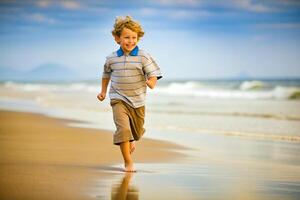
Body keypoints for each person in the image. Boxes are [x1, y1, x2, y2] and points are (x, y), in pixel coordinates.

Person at [97, 16, 162, 172]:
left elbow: (153, 73)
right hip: (118, 98)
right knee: (123, 130)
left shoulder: (143, 56)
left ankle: (132, 139)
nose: (131, 41)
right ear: (117, 38)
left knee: (137, 132)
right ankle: (128, 162)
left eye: (134, 38)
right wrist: (103, 92)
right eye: (127, 37)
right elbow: (106, 75)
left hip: (138, 101)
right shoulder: (111, 58)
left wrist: (152, 82)